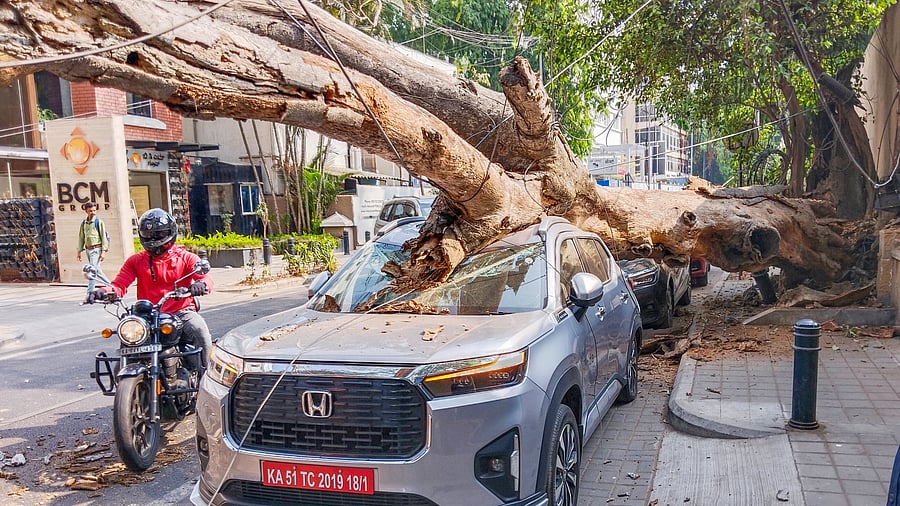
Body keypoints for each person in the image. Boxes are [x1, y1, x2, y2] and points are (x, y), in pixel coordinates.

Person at [86, 208, 214, 368]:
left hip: (181, 312)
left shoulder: (186, 257)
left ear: (170, 233)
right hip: (146, 315)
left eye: (158, 235)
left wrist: (200, 285)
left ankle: (209, 377)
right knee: (126, 348)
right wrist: (103, 292)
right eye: (149, 236)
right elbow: (119, 285)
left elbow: (206, 278)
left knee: (199, 330)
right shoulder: (135, 261)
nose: (154, 239)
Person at [76, 202, 109, 304]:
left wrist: (103, 251)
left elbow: (104, 237)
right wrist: (79, 251)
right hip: (88, 250)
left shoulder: (99, 222)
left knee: (92, 272)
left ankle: (89, 294)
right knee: (97, 271)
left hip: (96, 249)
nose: (93, 212)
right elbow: (81, 237)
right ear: (86, 211)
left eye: (94, 210)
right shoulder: (84, 223)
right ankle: (112, 287)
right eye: (90, 211)